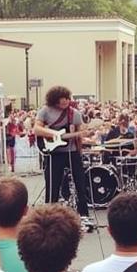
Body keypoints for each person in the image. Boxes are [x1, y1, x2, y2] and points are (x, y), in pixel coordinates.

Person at [34, 86, 90, 219]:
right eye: (62, 99)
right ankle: (49, 215)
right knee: (52, 184)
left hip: (72, 152)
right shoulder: (45, 111)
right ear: (55, 99)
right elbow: (37, 129)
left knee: (80, 183)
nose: (65, 101)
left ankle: (83, 214)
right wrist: (56, 134)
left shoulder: (74, 113)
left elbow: (80, 133)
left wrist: (82, 141)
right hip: (54, 153)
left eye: (67, 98)